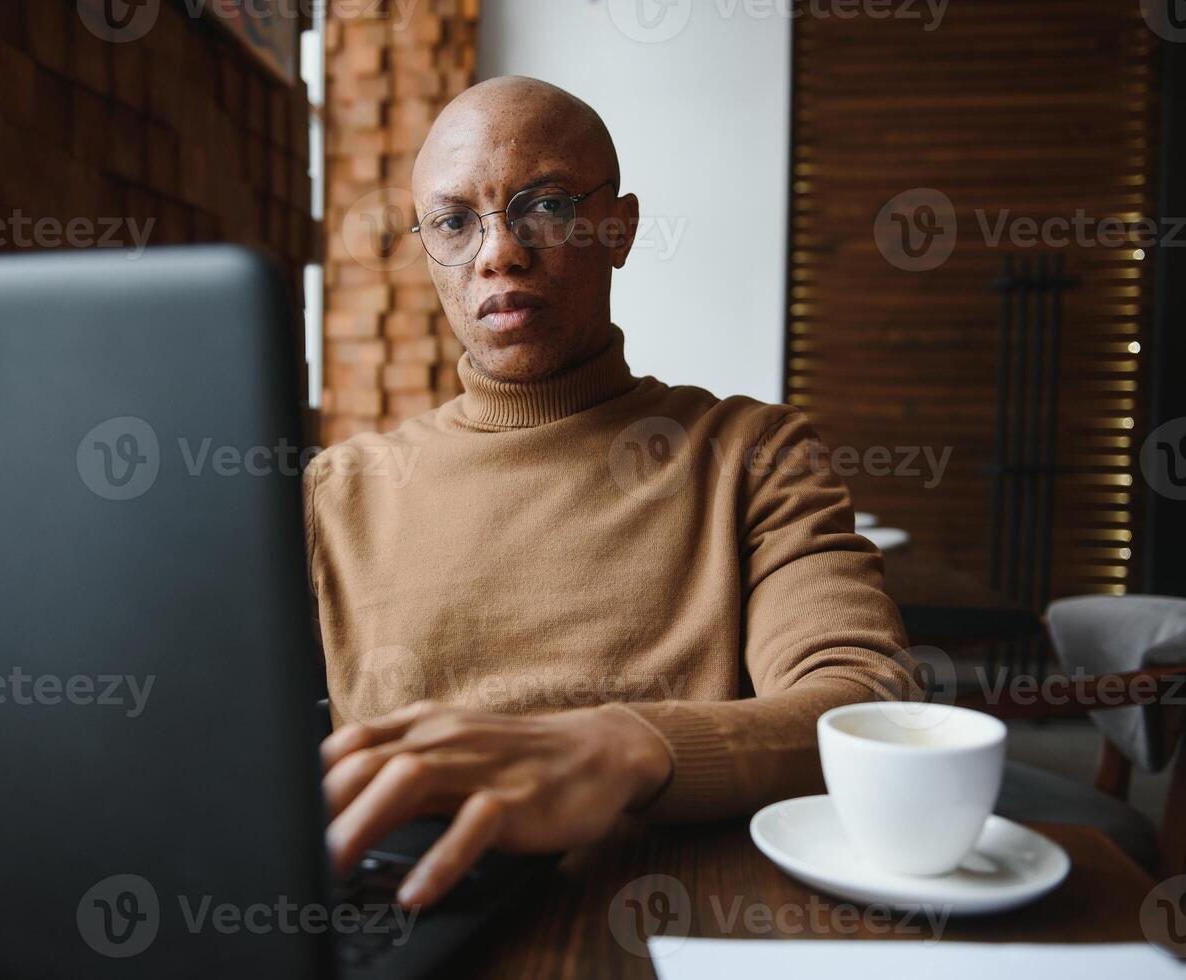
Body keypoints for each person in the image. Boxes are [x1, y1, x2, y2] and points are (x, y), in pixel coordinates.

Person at [305, 75, 920, 910]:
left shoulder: (753, 454)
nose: (498, 253)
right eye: (454, 222)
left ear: (620, 230)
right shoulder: (334, 496)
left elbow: (864, 706)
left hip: (685, 902)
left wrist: (625, 747)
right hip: (406, 908)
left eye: (546, 206)